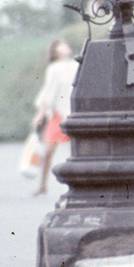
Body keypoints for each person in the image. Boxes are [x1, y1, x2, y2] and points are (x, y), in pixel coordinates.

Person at [32, 38, 79, 196]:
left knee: (74, 152)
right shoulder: (54, 68)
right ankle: (42, 184)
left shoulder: (75, 65)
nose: (66, 47)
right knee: (48, 151)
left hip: (72, 112)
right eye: (62, 45)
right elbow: (49, 92)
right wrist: (40, 113)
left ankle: (75, 185)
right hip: (58, 114)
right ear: (56, 51)